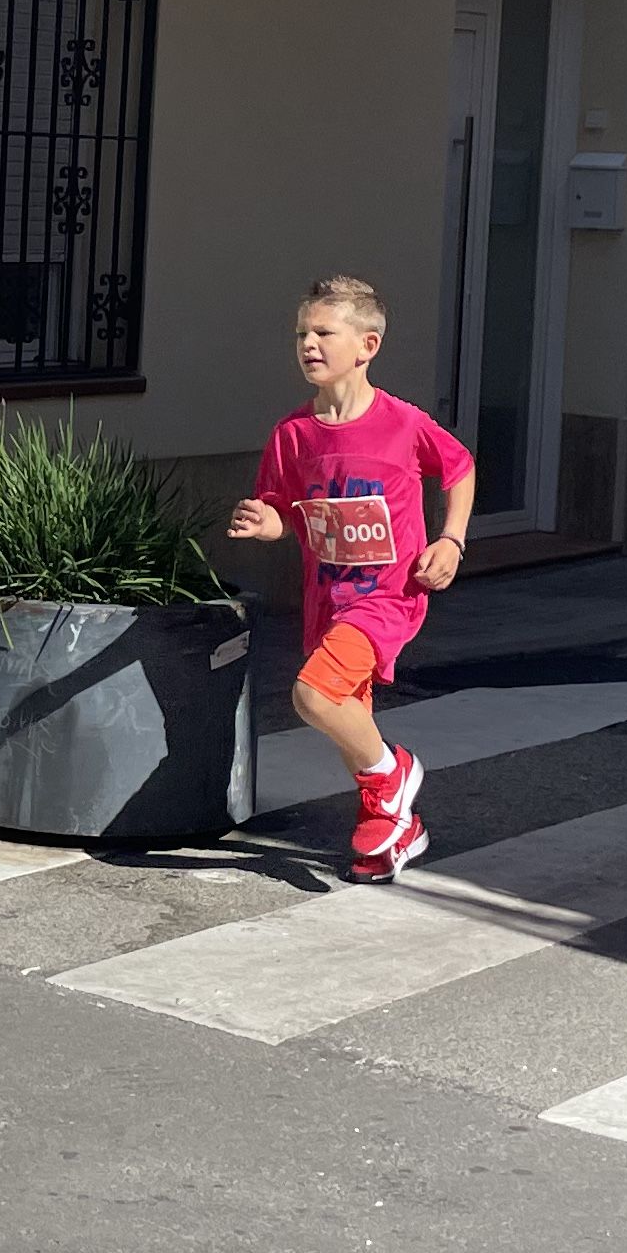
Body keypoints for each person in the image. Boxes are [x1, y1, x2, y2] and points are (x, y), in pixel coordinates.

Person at [224, 277, 477, 883]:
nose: (308, 345)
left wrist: (451, 539)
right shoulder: (293, 434)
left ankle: (392, 776)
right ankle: (393, 827)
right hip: (327, 596)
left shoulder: (402, 423)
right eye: (301, 335)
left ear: (367, 346)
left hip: (389, 595)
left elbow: (460, 468)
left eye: (322, 333)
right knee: (346, 712)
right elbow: (283, 509)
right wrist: (268, 524)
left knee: (313, 696)